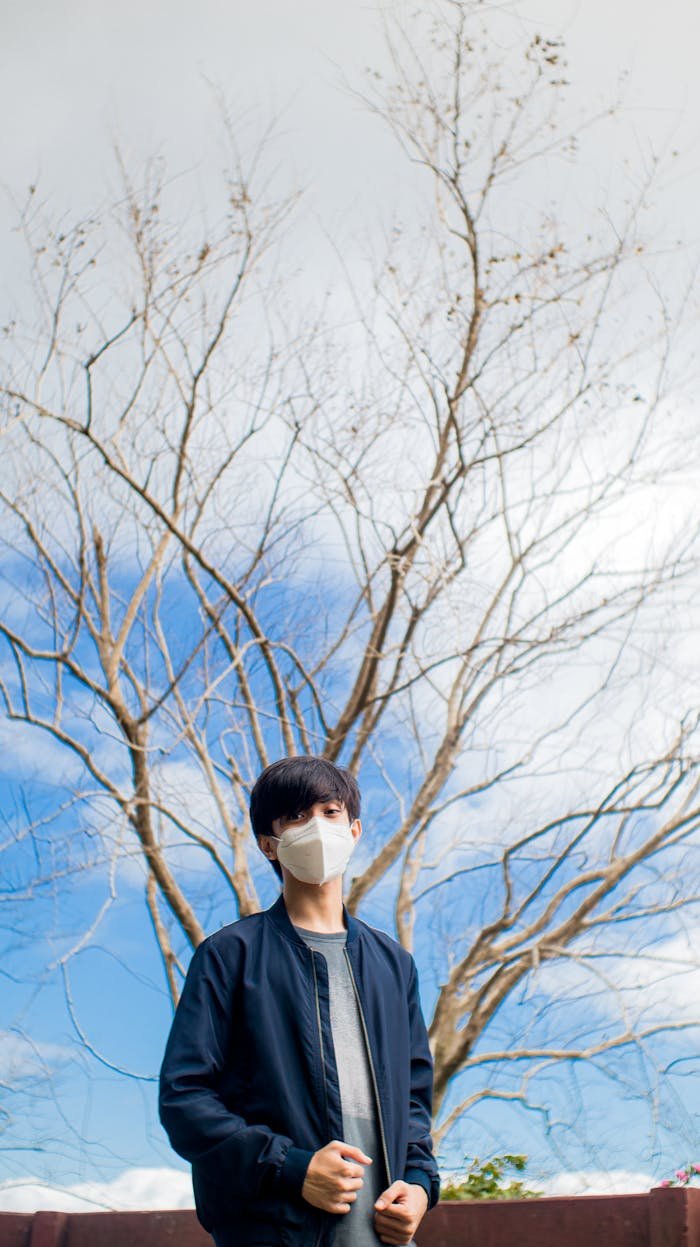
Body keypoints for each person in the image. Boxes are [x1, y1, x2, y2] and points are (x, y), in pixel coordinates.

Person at [159, 755, 440, 1247]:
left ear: (354, 831)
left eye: (330, 812)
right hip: (275, 1234)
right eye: (296, 816)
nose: (317, 826)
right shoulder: (230, 955)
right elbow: (185, 1099)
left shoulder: (394, 966)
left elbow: (415, 1100)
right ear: (270, 844)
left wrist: (419, 1186)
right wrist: (291, 1167)